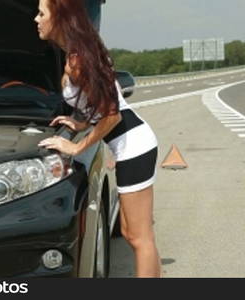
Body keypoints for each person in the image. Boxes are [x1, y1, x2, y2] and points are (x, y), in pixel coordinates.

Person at [35, 0, 161, 277]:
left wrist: (77, 144)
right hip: (129, 144)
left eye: (41, 13)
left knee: (139, 238)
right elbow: (101, 107)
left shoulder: (78, 60)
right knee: (132, 234)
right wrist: (79, 122)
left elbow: (113, 115)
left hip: (134, 145)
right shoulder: (76, 56)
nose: (36, 19)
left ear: (60, 18)